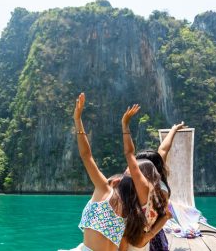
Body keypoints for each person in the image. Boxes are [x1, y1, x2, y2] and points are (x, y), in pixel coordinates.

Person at [67, 94, 159, 251]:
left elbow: (86, 155)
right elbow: (123, 248)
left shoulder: (105, 190)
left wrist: (77, 119)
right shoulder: (131, 211)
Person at [118, 104, 168, 251]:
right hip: (144, 244)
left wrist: (125, 125)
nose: (129, 170)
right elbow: (164, 216)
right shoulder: (156, 195)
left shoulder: (142, 195)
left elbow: (129, 153)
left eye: (134, 170)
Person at [136, 121, 186, 251]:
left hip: (150, 233)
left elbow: (162, 216)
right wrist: (174, 129)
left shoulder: (158, 189)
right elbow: (163, 149)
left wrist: (149, 235)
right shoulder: (155, 178)